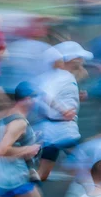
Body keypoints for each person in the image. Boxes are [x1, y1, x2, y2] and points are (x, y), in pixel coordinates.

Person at [33, 42, 92, 181]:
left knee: (42, 174)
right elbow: (45, 95)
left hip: (52, 132)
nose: (82, 61)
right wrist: (63, 110)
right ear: (72, 59)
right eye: (80, 57)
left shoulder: (63, 76)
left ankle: (16, 191)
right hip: (61, 131)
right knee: (88, 164)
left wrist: (76, 98)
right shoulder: (61, 76)